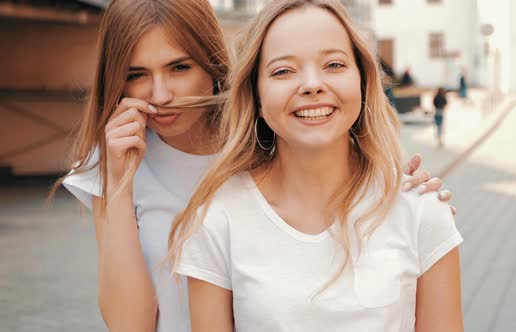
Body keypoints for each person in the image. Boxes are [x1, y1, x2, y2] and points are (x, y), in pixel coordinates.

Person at [51, 0, 454, 331]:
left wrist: (404, 195)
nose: (160, 94)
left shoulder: (261, 135)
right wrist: (119, 182)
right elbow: (129, 325)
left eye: (180, 67)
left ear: (212, 64)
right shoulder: (113, 160)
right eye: (135, 74)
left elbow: (332, 136)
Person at [170, 0, 464, 331]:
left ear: (363, 81)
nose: (312, 84)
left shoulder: (421, 211)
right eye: (283, 71)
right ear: (257, 97)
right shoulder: (217, 219)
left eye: (334, 64)